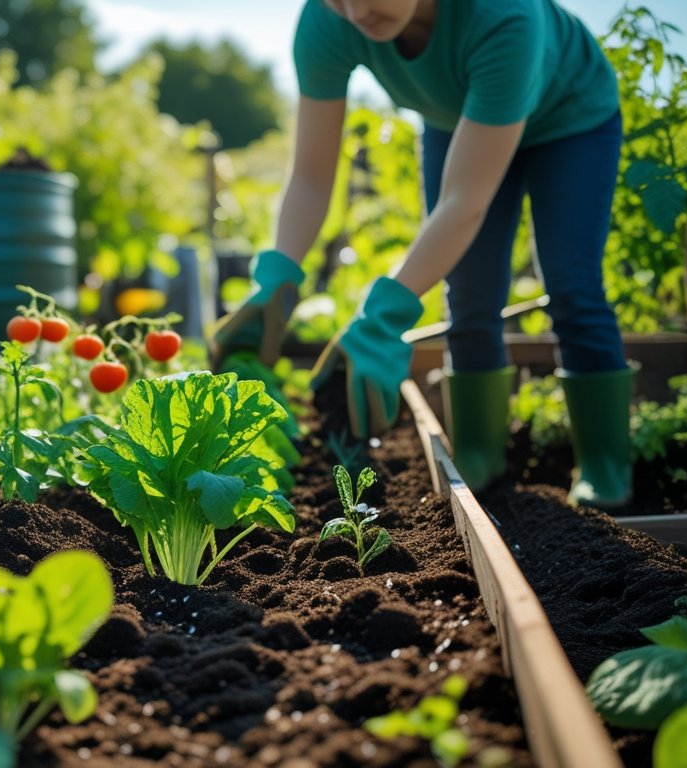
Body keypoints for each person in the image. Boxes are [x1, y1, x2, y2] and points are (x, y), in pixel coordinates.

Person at [213, 0, 633, 508]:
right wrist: (275, 278)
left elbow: (464, 203)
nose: (354, 10)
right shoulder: (327, 22)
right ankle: (478, 459)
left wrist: (384, 315)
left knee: (572, 284)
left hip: (570, 119)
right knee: (470, 293)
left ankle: (605, 469)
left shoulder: (503, 16)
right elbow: (310, 176)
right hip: (457, 114)